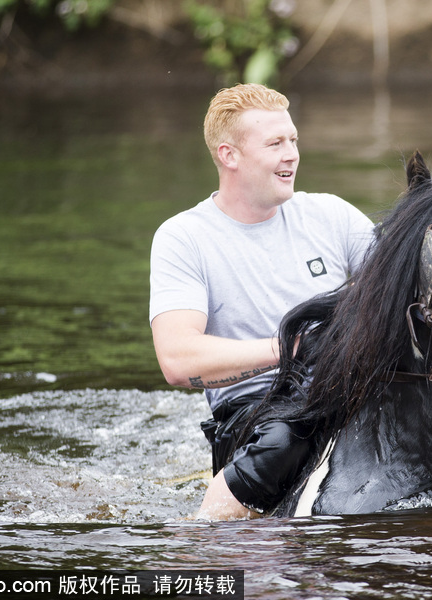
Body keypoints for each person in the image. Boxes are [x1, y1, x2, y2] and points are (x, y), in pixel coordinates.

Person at [149, 84, 374, 520]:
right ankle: (204, 533)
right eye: (275, 144)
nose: (291, 154)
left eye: (293, 140)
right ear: (229, 155)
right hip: (256, 412)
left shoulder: (331, 215)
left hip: (343, 389)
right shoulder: (184, 238)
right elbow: (176, 360)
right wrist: (289, 349)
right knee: (289, 436)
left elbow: (401, 287)